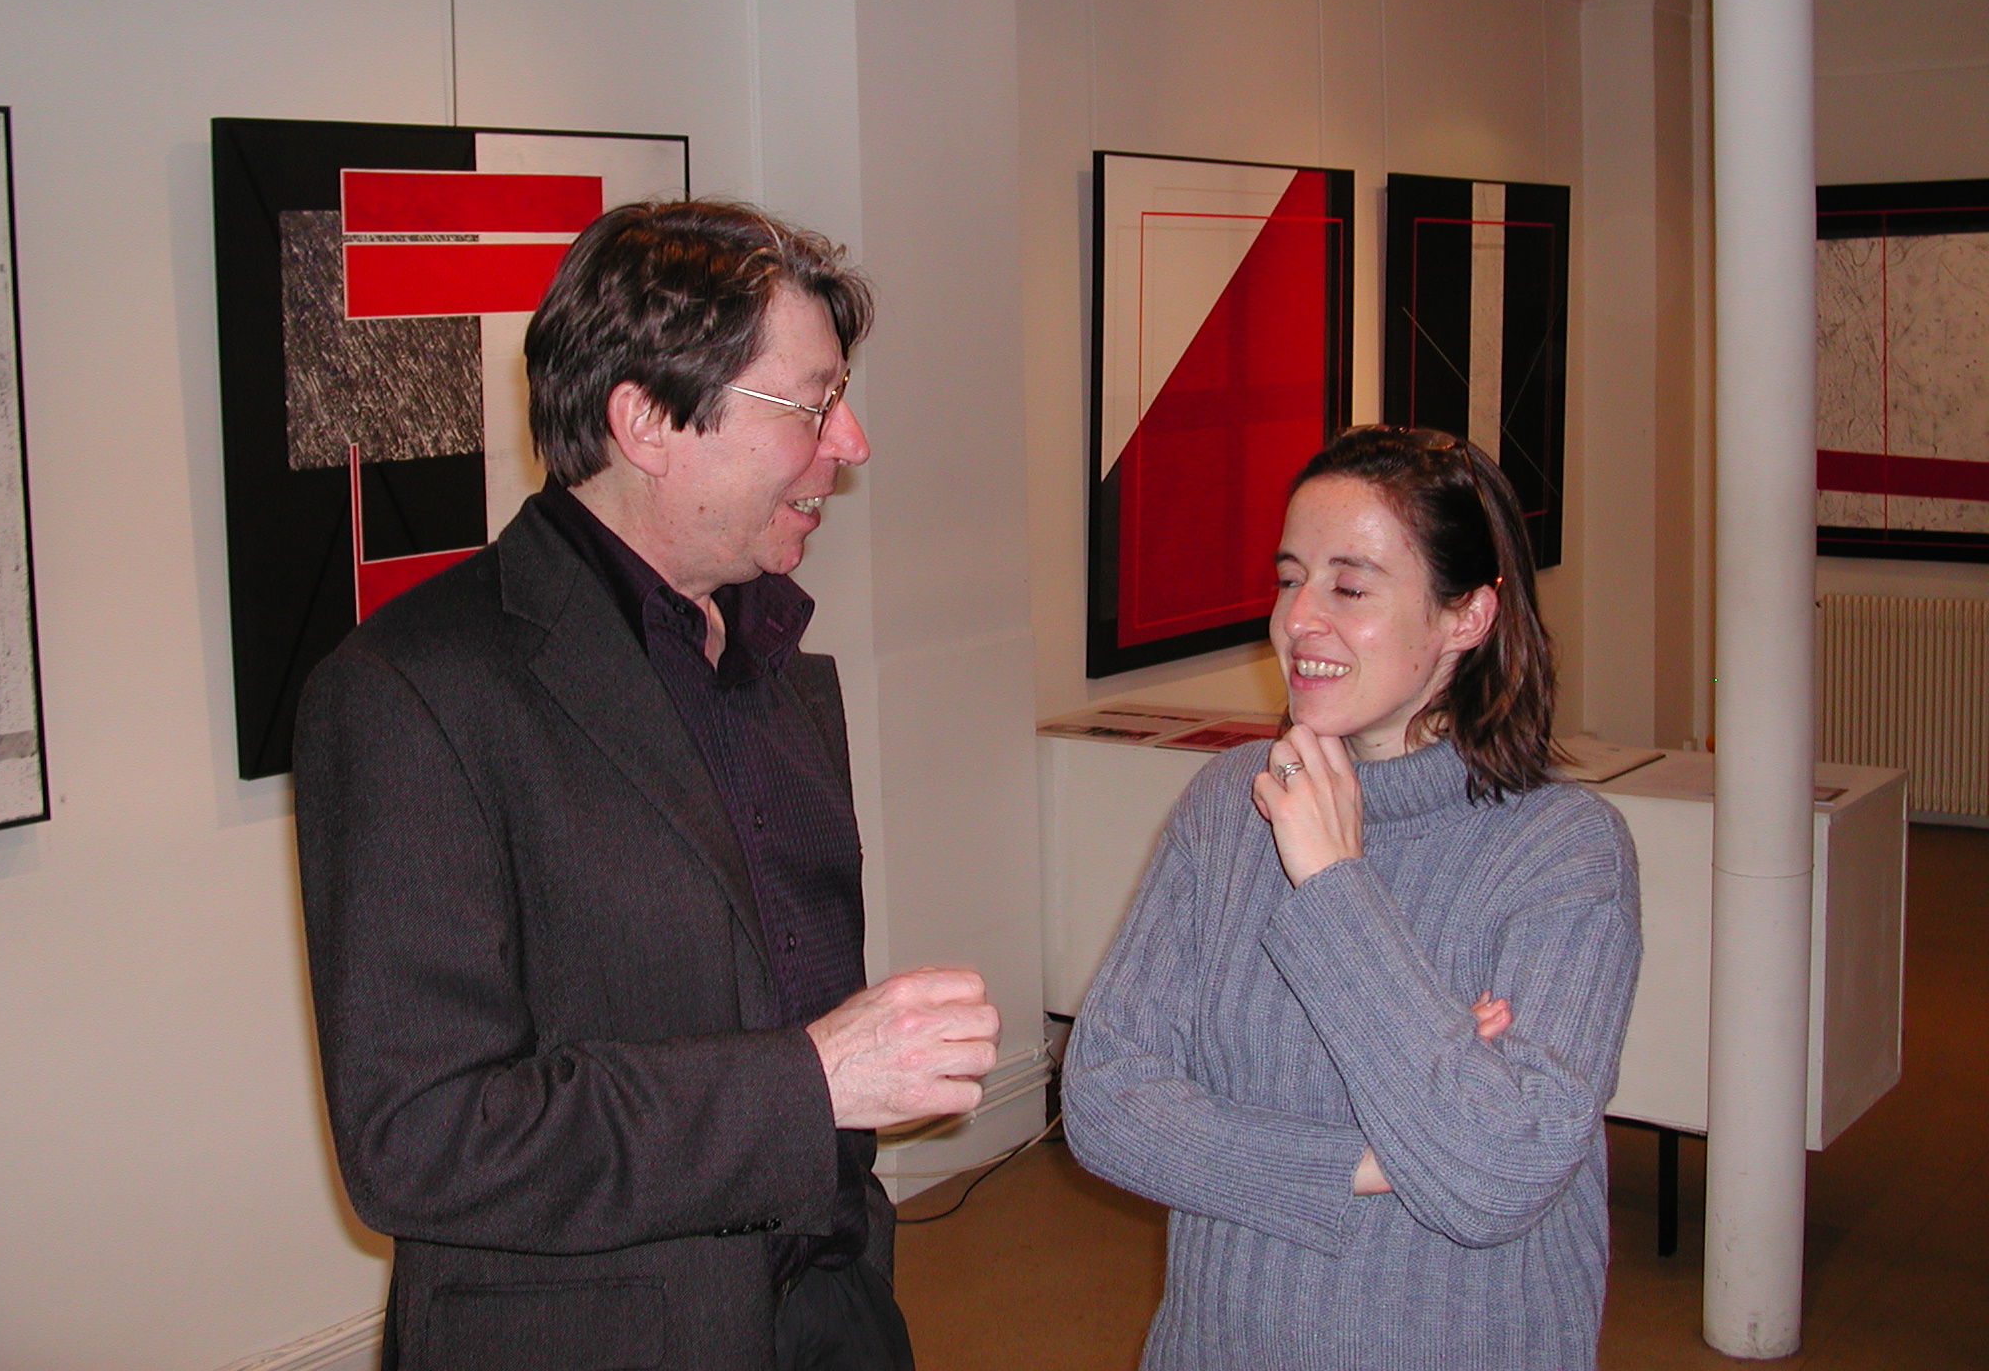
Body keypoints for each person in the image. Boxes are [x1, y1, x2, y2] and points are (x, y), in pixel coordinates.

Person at [294, 200, 1000, 1371]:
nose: (851, 441)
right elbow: (418, 1140)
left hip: (826, 1306)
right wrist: (813, 1081)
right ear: (647, 421)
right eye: (811, 404)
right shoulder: (411, 692)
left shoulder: (775, 666)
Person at [1063, 425, 1642, 1371]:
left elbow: (1497, 1177)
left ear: (1467, 615)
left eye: (1351, 587)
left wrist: (1335, 885)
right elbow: (1102, 1099)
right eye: (1290, 578)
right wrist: (1368, 1160)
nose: (1299, 620)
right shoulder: (1231, 803)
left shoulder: (1563, 852)